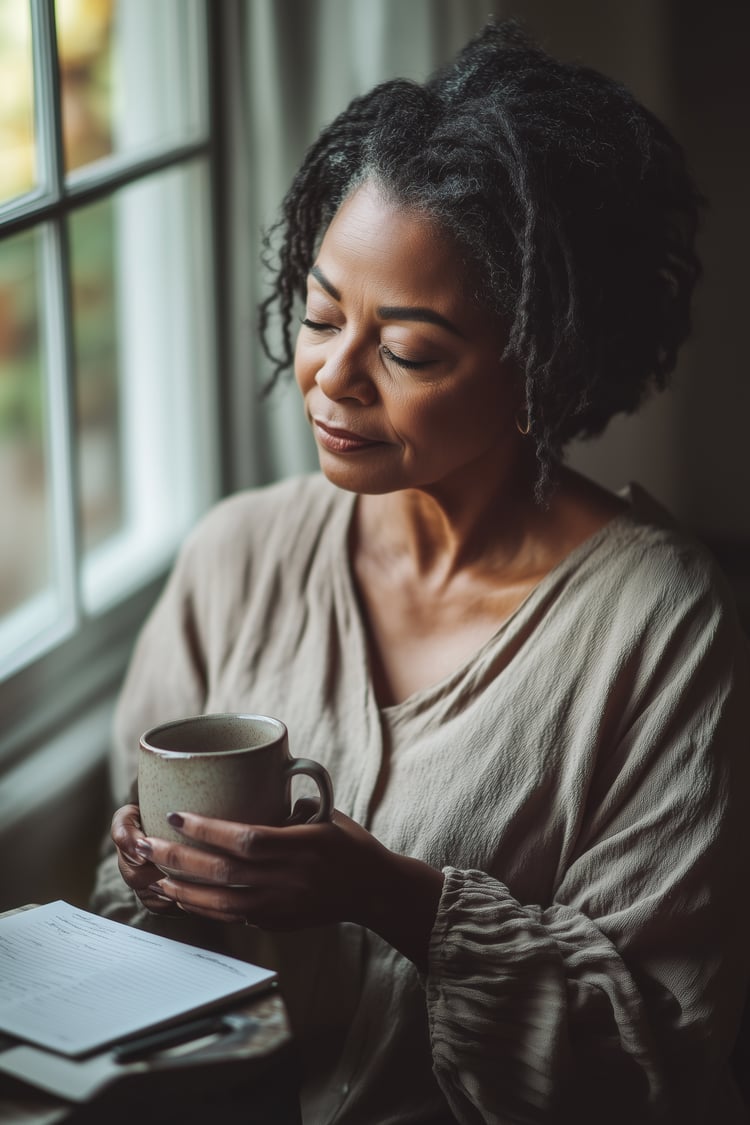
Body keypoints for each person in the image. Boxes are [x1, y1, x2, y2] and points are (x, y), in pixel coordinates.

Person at [90, 19, 750, 1124]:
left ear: (546, 362)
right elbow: (132, 932)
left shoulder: (664, 628)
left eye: (407, 351)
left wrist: (398, 901)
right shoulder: (236, 555)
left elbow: (655, 1059)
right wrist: (160, 881)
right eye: (317, 313)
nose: (332, 377)